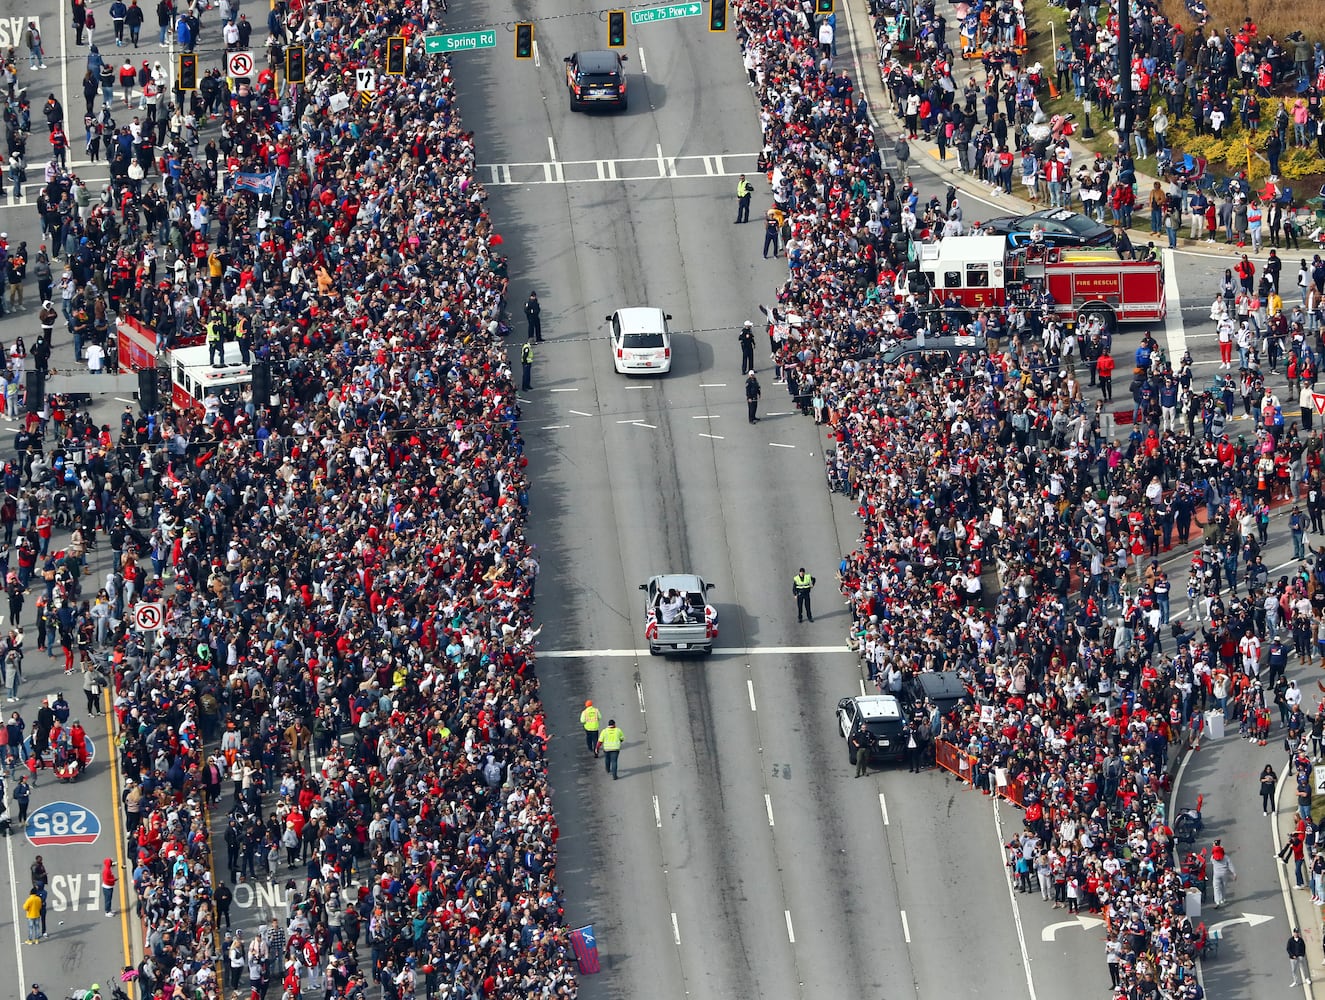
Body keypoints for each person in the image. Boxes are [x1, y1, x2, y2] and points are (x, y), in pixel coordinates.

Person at [1210, 839, 1237, 906]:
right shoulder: (1226, 857)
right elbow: (1230, 865)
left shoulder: (1213, 857)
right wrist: (1234, 873)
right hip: (1225, 873)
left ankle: (1217, 901)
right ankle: (1223, 899)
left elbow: (1211, 862)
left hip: (1216, 874)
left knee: (1216, 887)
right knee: (1224, 886)